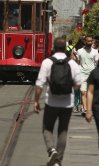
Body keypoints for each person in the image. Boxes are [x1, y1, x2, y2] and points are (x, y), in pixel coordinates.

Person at [34, 37, 81, 166]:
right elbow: (78, 85)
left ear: (54, 47)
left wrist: (36, 101)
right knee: (63, 130)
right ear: (65, 48)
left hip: (51, 102)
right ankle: (58, 162)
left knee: (47, 128)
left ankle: (51, 150)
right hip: (68, 103)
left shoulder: (47, 62)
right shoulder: (72, 64)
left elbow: (39, 85)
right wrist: (68, 86)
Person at [77, 36, 99, 114]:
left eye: (91, 41)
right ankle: (85, 109)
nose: (89, 43)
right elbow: (78, 62)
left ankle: (89, 107)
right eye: (88, 41)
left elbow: (97, 64)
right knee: (83, 92)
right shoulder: (79, 51)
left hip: (92, 73)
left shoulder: (95, 52)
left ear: (92, 41)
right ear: (85, 41)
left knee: (91, 92)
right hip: (82, 73)